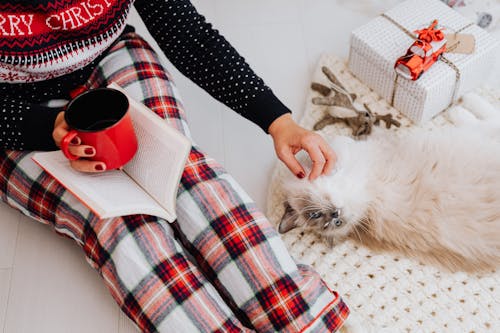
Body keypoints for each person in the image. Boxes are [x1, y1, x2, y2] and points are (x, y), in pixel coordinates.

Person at [0, 1, 349, 332]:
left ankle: (302, 317)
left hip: (110, 56)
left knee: (185, 176)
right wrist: (45, 127)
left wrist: (277, 120)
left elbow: (188, 35)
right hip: (15, 112)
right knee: (121, 226)